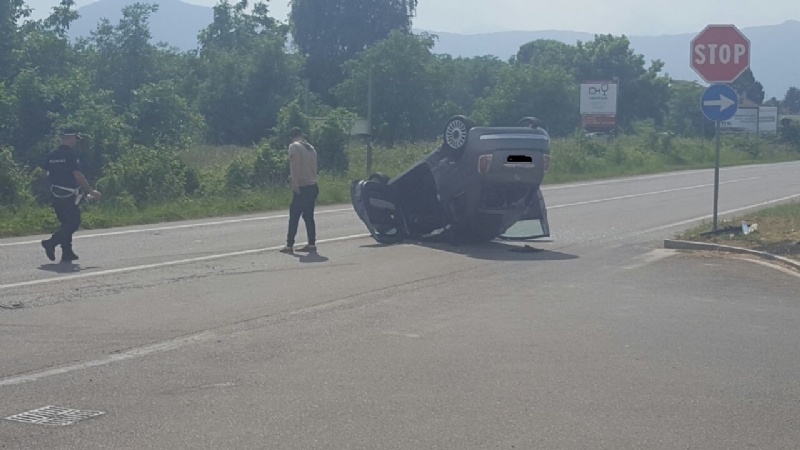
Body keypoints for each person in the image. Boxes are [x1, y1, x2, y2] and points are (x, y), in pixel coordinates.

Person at [40, 128, 102, 262]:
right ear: (70, 138)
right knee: (74, 222)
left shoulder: (52, 154)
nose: (75, 141)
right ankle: (51, 242)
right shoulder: (72, 154)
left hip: (55, 193)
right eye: (75, 138)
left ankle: (67, 252)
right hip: (68, 194)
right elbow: (78, 175)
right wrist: (90, 191)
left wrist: (51, 186)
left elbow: (43, 174)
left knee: (65, 222)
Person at [280, 127, 319, 254]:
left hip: (302, 186)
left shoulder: (294, 147)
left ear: (292, 137)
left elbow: (295, 164)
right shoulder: (310, 148)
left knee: (294, 216)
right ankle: (312, 244)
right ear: (302, 135)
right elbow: (311, 167)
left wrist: (294, 183)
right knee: (308, 216)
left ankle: (289, 245)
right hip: (313, 185)